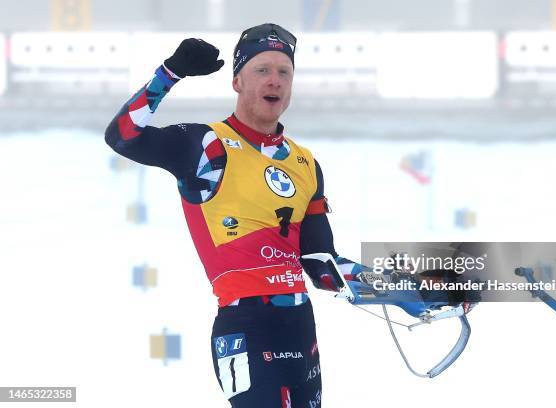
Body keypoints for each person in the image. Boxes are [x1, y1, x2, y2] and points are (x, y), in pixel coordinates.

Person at [105, 23, 476, 407]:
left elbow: (321, 264)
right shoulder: (205, 145)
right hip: (245, 327)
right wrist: (169, 74)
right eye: (261, 70)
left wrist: (403, 288)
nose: (275, 81)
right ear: (237, 82)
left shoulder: (304, 162)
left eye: (284, 72)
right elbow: (122, 136)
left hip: (300, 329)